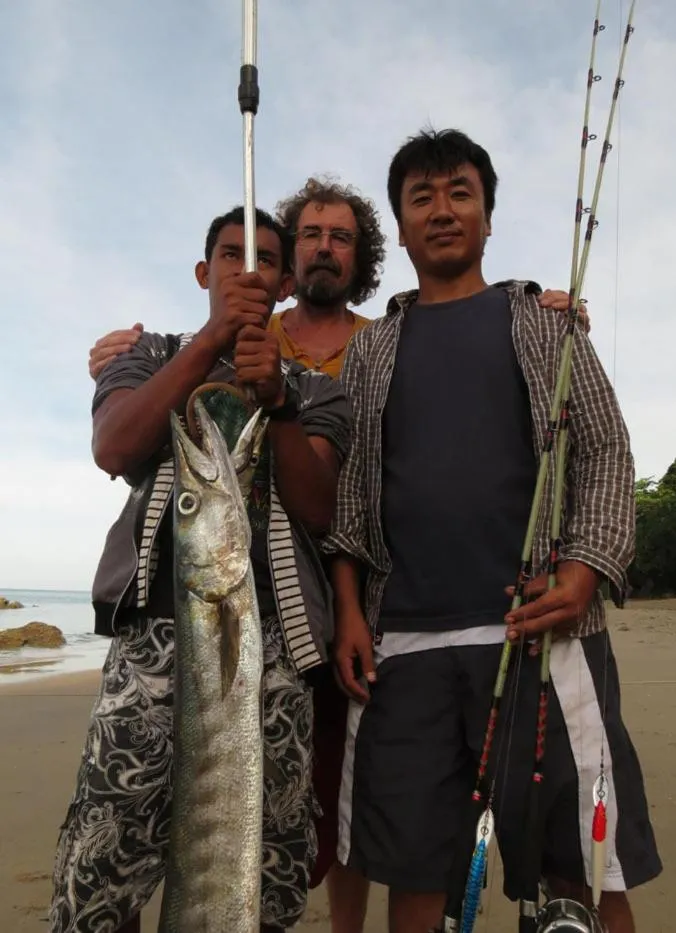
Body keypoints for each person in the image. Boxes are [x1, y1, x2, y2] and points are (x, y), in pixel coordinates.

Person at [88, 183, 591, 933]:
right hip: (241, 608)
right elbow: (117, 442)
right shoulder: (196, 342)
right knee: (120, 836)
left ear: (355, 257)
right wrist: (165, 346)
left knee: (335, 801)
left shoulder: (386, 341)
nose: (324, 247)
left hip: (343, 610)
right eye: (310, 235)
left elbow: (346, 485)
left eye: (342, 237)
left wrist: (542, 312)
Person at [325, 129, 661, 933]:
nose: (442, 210)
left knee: (581, 869)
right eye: (422, 198)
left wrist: (585, 568)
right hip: (403, 650)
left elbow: (606, 450)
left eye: (460, 193)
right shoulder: (371, 349)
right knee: (415, 874)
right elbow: (352, 496)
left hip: (542, 637)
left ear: (486, 216)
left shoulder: (546, 322)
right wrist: (349, 610)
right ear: (401, 227)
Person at [50, 205, 352, 933]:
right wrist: (213, 339)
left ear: (284, 284)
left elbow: (319, 508)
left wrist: (279, 402)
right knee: (102, 858)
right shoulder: (147, 353)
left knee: (264, 863)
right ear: (202, 272)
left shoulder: (315, 390)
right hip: (151, 640)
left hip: (275, 646)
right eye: (229, 255)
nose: (247, 270)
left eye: (265, 260)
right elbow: (115, 446)